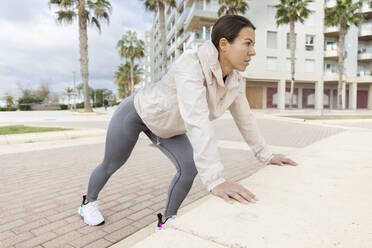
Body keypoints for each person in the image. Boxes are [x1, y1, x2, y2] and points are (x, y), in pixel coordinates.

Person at [78, 15, 298, 230]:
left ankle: (166, 220)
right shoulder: (191, 64)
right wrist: (215, 180)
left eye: (254, 45)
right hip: (137, 113)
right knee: (112, 164)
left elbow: (245, 119)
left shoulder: (235, 80)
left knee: (189, 167)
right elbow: (197, 120)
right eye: (247, 43)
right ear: (224, 44)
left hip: (169, 127)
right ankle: (88, 203)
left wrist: (266, 155)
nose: (253, 52)